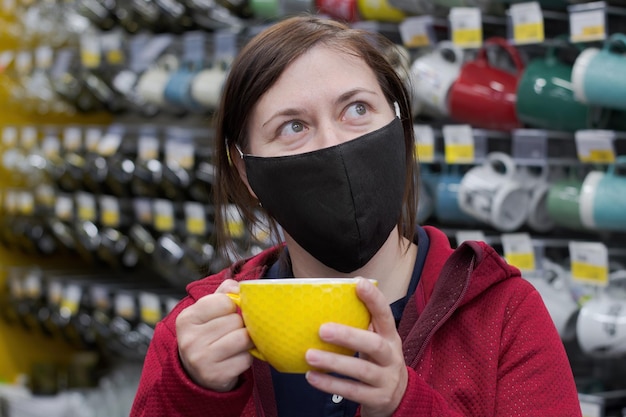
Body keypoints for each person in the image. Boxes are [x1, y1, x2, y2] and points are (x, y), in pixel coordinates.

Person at [130, 15, 582, 417]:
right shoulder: (197, 333)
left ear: (401, 129)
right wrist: (189, 393)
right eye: (293, 126)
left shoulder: (501, 315)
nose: (331, 144)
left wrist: (405, 405)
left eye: (357, 109)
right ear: (246, 170)